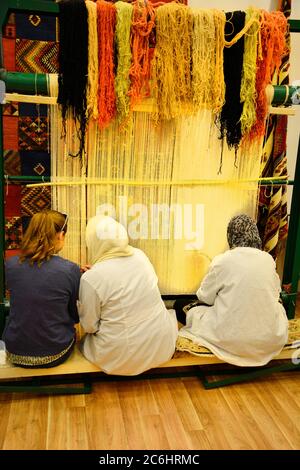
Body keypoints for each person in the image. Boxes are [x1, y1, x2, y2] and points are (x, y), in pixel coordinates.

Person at [177, 214, 288, 367]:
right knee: (278, 305)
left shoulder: (223, 261)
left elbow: (205, 298)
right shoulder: (268, 259)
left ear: (231, 236)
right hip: (267, 339)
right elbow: (275, 294)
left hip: (230, 339)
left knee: (180, 305)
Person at [78, 215, 178, 375]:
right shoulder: (140, 256)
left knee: (85, 343)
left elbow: (89, 326)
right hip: (161, 344)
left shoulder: (91, 278)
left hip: (121, 356)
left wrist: (93, 277)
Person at [2, 210, 81, 368]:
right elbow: (75, 315)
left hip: (14, 351)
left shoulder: (9, 265)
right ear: (59, 235)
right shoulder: (70, 270)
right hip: (54, 353)